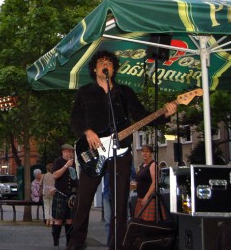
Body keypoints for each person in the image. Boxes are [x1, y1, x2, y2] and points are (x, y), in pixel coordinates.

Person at [67, 50, 176, 250]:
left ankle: (117, 245)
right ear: (94, 68)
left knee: (120, 203)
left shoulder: (125, 93)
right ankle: (75, 243)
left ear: (114, 68)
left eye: (108, 61)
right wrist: (87, 131)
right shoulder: (84, 92)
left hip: (121, 153)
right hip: (93, 153)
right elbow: (74, 121)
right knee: (83, 200)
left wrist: (166, 114)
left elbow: (143, 116)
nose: (105, 64)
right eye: (101, 61)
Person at [51, 144, 78, 247]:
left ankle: (69, 243)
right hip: (60, 194)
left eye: (71, 152)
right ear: (63, 152)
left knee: (70, 220)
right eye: (68, 151)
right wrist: (66, 166)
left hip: (71, 195)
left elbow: (74, 177)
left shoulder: (73, 163)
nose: (70, 154)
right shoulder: (58, 161)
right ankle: (56, 243)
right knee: (58, 219)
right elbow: (55, 175)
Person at [133, 145, 165, 221]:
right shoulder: (141, 166)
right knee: (139, 223)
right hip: (140, 198)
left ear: (151, 153)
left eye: (147, 152)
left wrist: (146, 197)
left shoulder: (153, 165)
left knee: (148, 223)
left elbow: (155, 182)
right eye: (143, 152)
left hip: (149, 199)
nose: (144, 154)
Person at [41, 162, 55, 226]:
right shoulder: (54, 175)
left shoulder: (43, 175)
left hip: (45, 192)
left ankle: (47, 221)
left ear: (46, 169)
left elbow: (40, 184)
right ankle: (52, 221)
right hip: (52, 192)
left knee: (46, 207)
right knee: (52, 206)